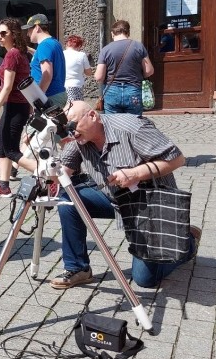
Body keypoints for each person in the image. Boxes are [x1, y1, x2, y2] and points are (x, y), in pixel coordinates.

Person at [48, 100, 202, 289]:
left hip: (148, 202)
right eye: (67, 127)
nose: (72, 131)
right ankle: (77, 268)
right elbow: (59, 175)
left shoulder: (132, 127)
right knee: (68, 201)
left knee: (145, 280)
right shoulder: (79, 138)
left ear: (93, 116)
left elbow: (177, 159)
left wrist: (135, 173)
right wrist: (24, 155)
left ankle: (188, 243)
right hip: (112, 198)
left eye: (73, 124)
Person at [0, 18, 32, 198]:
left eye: (4, 33)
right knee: (1, 145)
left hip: (15, 105)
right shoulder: (20, 52)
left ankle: (47, 174)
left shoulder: (13, 54)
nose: (0, 36)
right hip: (18, 106)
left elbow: (7, 87)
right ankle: (4, 185)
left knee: (11, 149)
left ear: (14, 34)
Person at [94, 20, 155, 116]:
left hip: (112, 91)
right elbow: (149, 71)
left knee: (113, 126)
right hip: (133, 90)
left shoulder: (105, 50)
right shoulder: (138, 46)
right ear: (128, 33)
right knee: (134, 125)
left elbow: (99, 77)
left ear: (112, 34)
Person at [22, 13, 67, 109]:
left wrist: (38, 99)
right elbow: (41, 57)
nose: (27, 33)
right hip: (56, 94)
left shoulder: (44, 45)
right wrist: (29, 49)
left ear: (37, 27)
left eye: (29, 29)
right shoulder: (53, 43)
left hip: (49, 96)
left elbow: (47, 75)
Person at [63, 35, 93, 102]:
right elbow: (88, 73)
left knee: (64, 109)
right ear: (79, 46)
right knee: (75, 109)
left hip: (62, 87)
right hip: (76, 86)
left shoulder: (61, 54)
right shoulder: (81, 55)